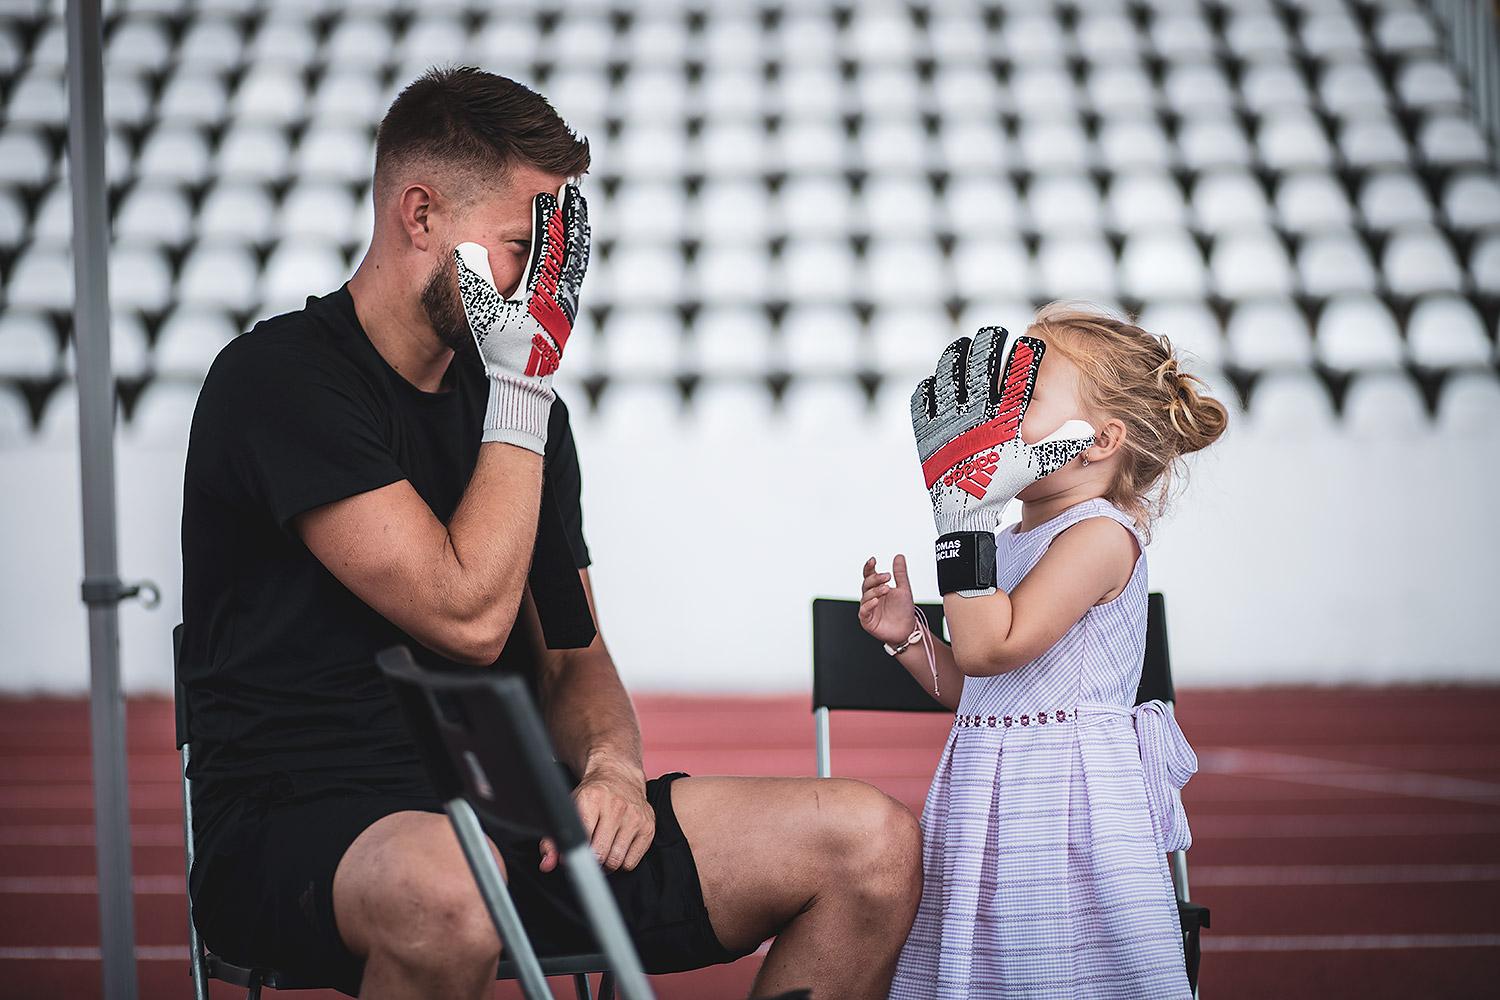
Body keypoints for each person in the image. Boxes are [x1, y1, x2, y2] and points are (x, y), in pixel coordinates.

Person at [181, 66, 921, 1000]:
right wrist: (523, 392)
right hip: (309, 826)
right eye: (520, 247)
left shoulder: (524, 407)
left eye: (556, 260)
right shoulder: (280, 382)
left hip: (512, 818)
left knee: (871, 846)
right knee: (453, 894)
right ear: (420, 217)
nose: (541, 291)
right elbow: (466, 614)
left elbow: (572, 658)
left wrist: (613, 766)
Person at [858, 305, 1229, 998]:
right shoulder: (1002, 540)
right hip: (988, 800)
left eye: (1023, 399)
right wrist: (910, 637)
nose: (995, 417)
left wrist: (961, 524)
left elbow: (991, 647)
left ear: (1097, 441)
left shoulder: (1099, 537)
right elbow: (978, 691)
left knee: (1056, 972)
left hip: (1064, 813)